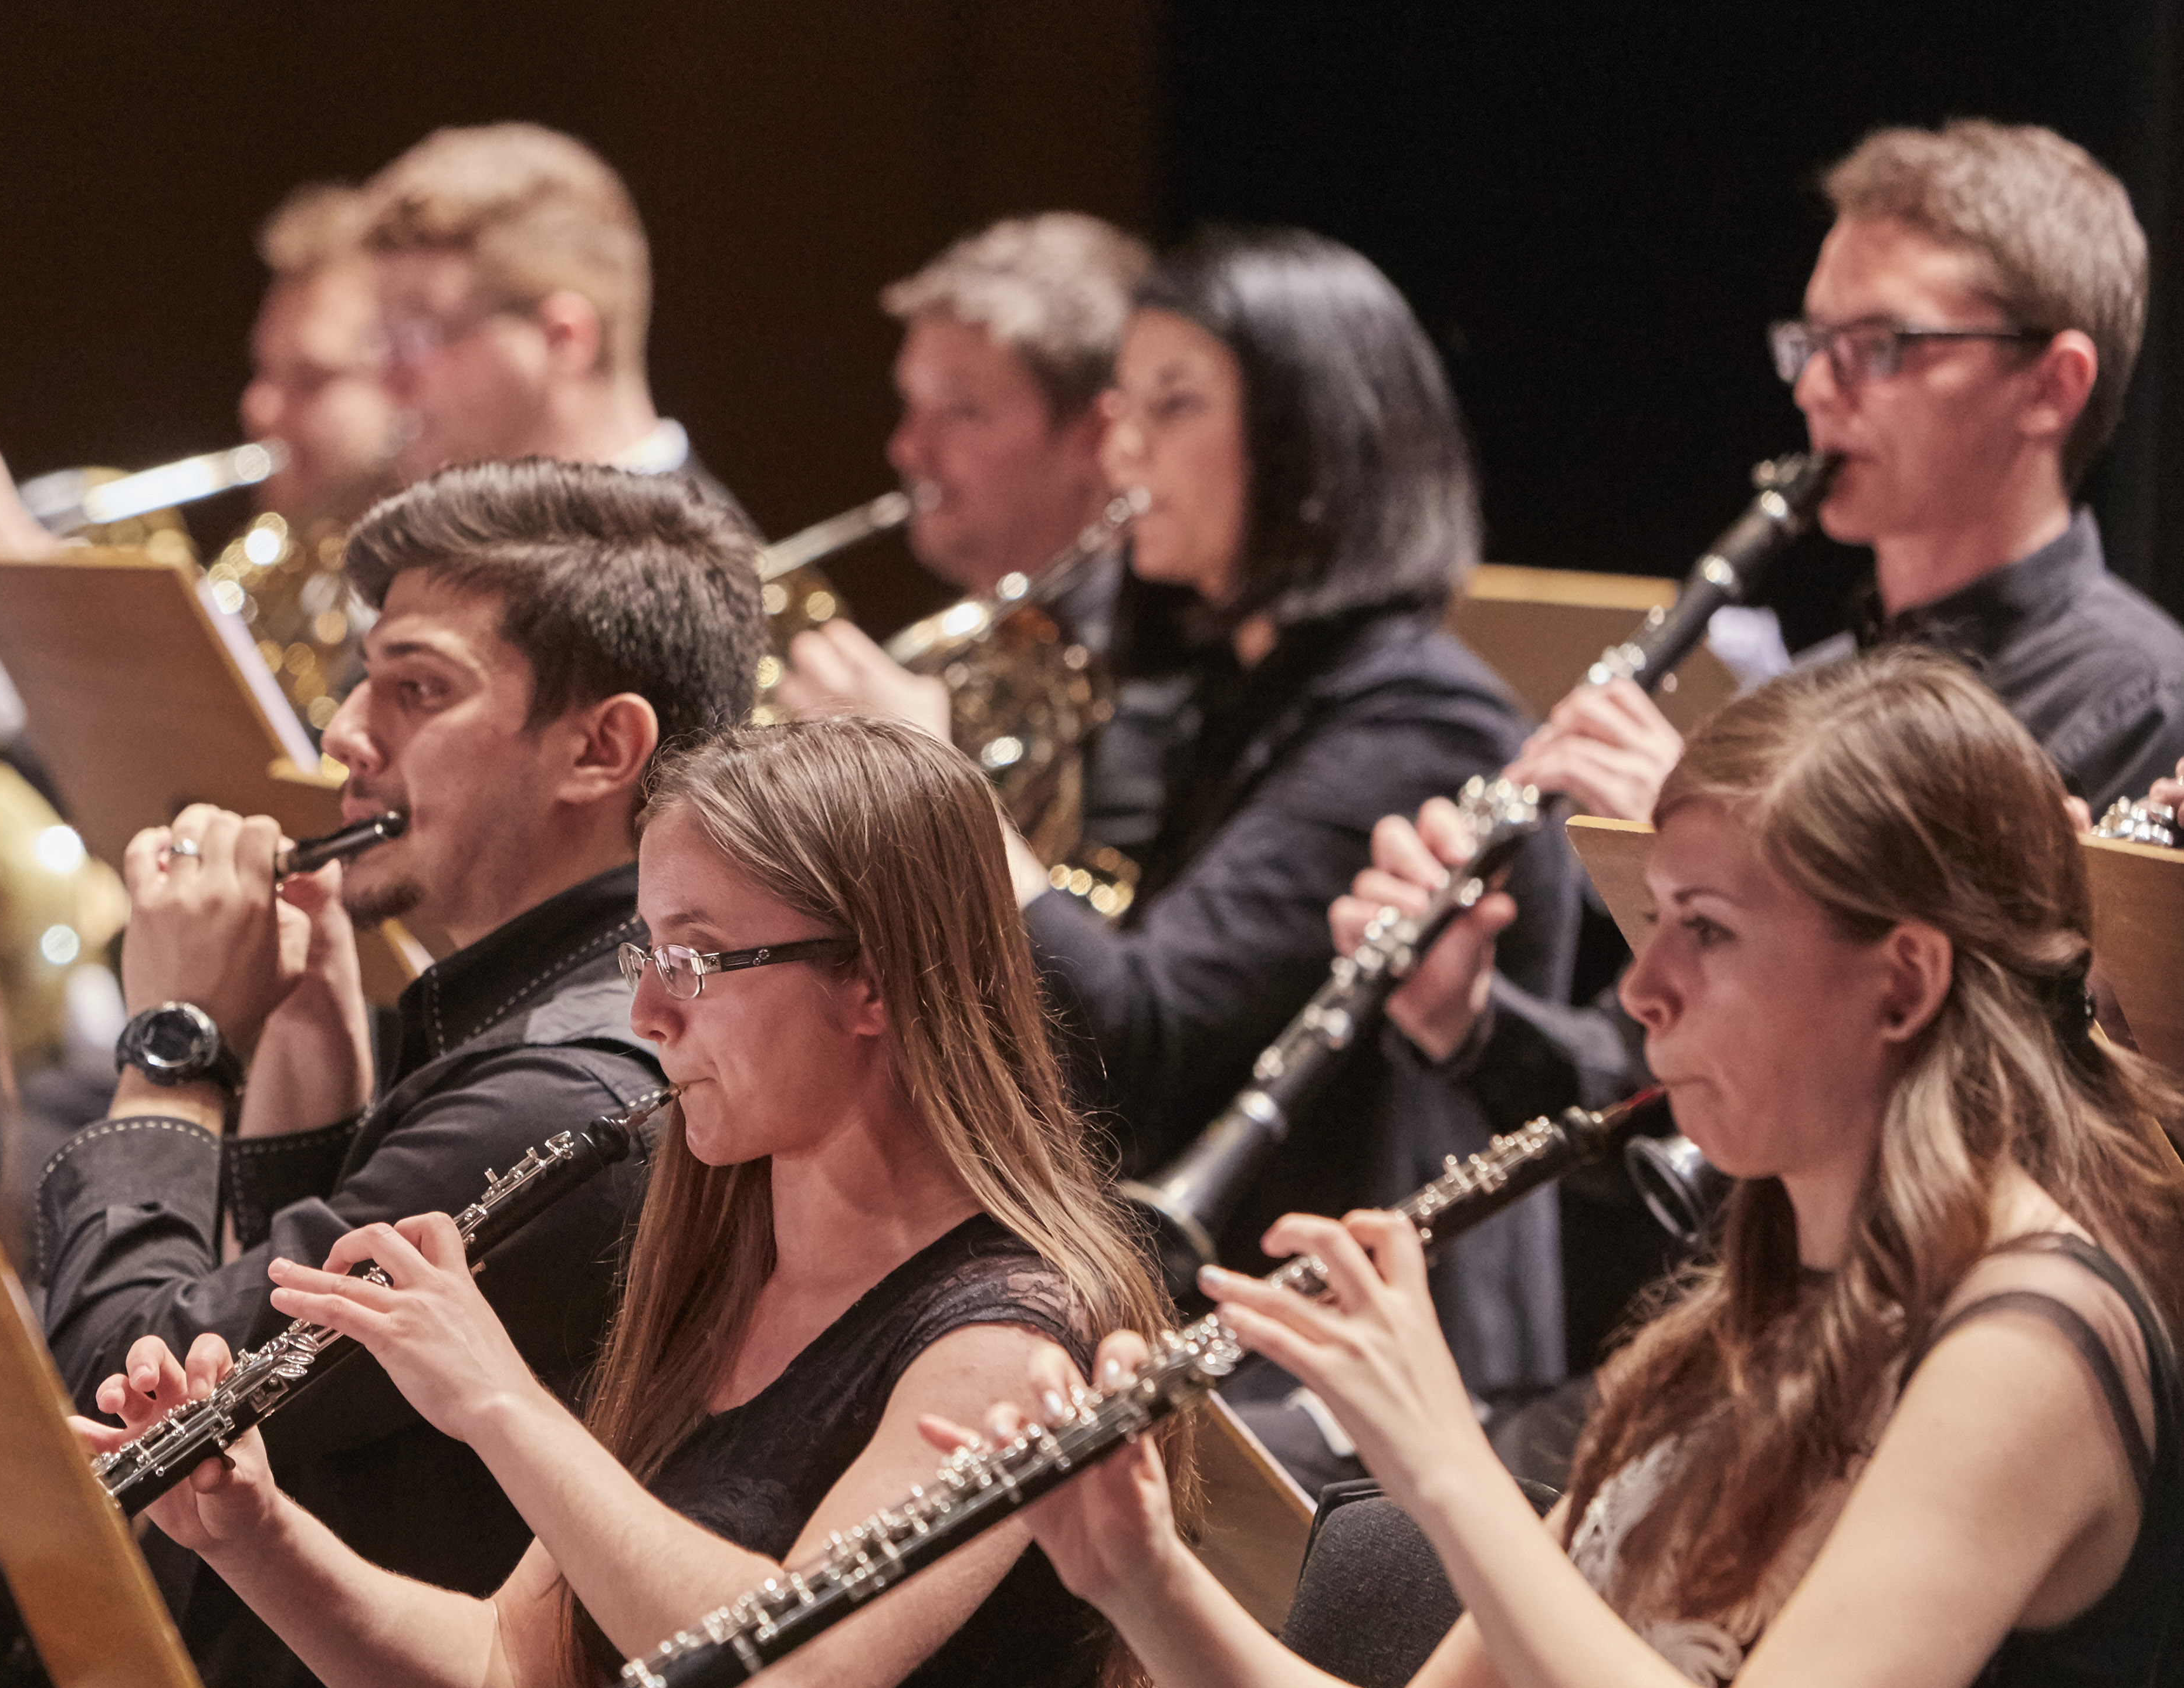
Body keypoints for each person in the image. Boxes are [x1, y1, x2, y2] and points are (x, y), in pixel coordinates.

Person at [1000, 647, 2184, 1688]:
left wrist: (1443, 1459)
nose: (1640, 988)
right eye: (1656, 917)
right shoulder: (1721, 1344)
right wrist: (1136, 1574)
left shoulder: (2028, 1332)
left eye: (1709, 931)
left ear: (1899, 986)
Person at [0, 459, 764, 1688]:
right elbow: (314, 1404)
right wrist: (304, 1107)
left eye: (414, 691)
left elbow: (134, 1412)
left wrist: (172, 1047)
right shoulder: (499, 1027)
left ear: (600, 747)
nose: (342, 739)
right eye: (357, 685)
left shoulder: (579, 1086)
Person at [92, 715, 1192, 1688]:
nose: (650, 1014)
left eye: (702, 959)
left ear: (876, 981)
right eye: (645, 952)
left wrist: (502, 1402)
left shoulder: (1014, 1337)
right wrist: (255, 1537)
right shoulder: (714, 1288)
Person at [819, 225, 1581, 1468]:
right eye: (1126, 404)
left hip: (1385, 1395)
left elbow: (1145, 1035)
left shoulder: (1412, 724)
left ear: (1311, 438)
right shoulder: (1240, 697)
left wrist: (943, 797)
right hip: (1247, 1324)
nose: (1125, 448)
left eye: (1175, 407)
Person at [1345, 119, 2184, 1172]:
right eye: (1812, 342)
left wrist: (1744, 849)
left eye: (1881, 347)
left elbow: (2036, 1120)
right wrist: (1470, 1023)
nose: (1816, 389)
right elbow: (1664, 1113)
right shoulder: (1815, 687)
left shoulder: (2145, 700)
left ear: (2052, 385)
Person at [0, 178, 403, 753]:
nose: (257, 407)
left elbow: (208, 784)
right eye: (262, 371)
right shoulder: (280, 565)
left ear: (408, 375)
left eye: (309, 379)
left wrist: (20, 622)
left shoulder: (407, 600)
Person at [773, 212, 1189, 861]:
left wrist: (908, 772)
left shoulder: (1152, 688)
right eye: (909, 405)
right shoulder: (968, 648)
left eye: (960, 412)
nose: (907, 447)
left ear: (1096, 436)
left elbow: (1087, 954)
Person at [361, 124, 748, 522]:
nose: (389, 379)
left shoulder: (720, 574)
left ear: (563, 339)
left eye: (423, 334)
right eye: (384, 338)